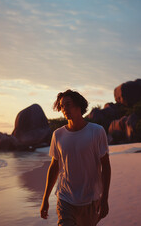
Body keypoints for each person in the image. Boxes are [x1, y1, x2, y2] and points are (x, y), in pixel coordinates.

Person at [40, 89, 111, 226]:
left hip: (90, 199)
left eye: (68, 104)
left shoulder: (96, 131)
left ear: (79, 106)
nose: (64, 109)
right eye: (62, 106)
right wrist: (45, 199)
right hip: (65, 198)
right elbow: (54, 166)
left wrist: (104, 198)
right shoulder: (58, 135)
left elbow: (106, 166)